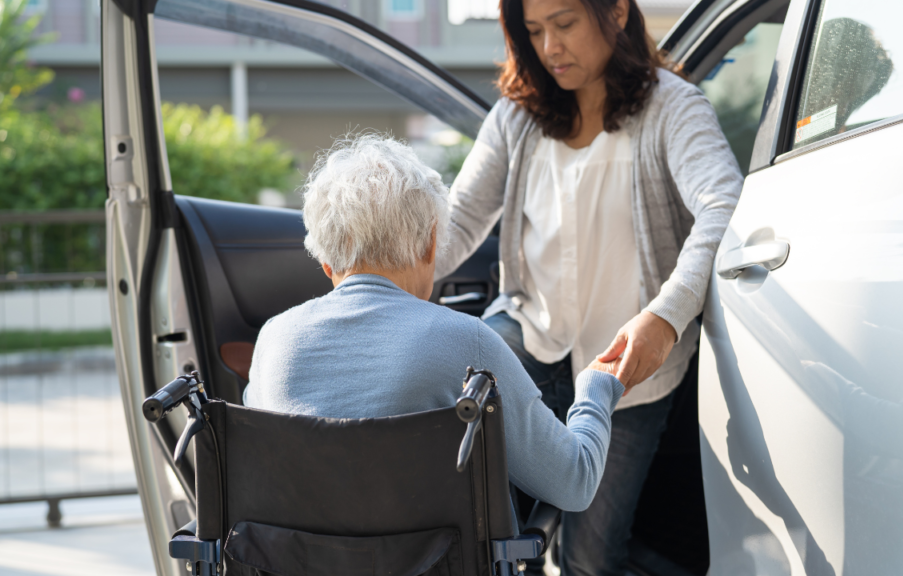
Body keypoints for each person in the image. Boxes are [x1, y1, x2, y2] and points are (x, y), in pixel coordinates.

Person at [433, 0, 744, 573]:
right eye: (534, 31)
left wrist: (667, 316)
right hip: (528, 339)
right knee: (477, 530)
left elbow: (723, 207)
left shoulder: (674, 107)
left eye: (565, 23)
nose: (550, 47)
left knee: (589, 559)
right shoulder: (515, 116)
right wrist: (381, 283)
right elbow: (456, 223)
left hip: (624, 370)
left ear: (617, 11)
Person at [243, 133, 642, 514]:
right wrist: (596, 386)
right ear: (431, 244)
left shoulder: (274, 341)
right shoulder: (468, 343)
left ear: (327, 261)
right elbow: (574, 483)